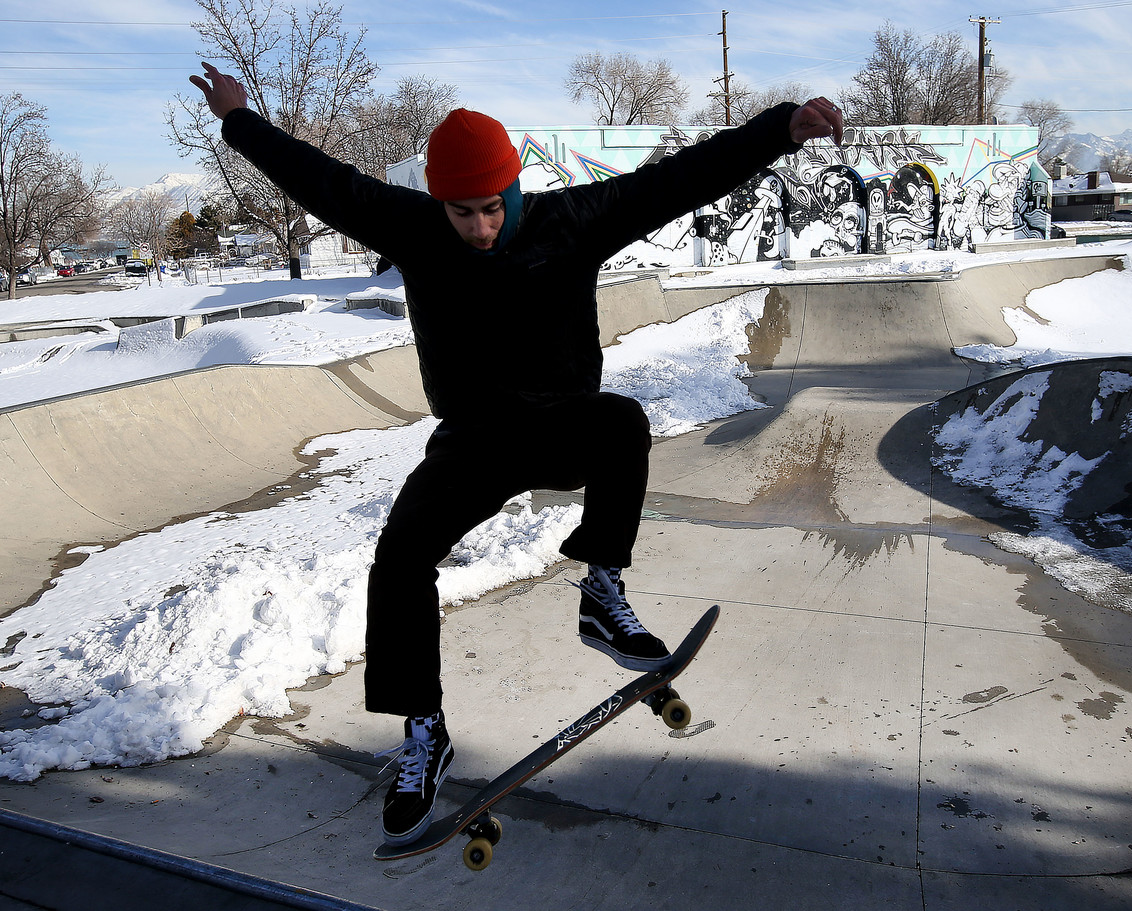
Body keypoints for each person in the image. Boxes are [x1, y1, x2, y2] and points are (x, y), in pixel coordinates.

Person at [190, 62, 843, 846]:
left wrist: (778, 129)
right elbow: (320, 180)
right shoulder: (412, 226)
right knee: (400, 556)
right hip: (472, 443)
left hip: (564, 428)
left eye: (490, 210)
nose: (478, 228)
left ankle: (602, 590)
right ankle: (424, 731)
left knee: (623, 422)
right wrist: (239, 118)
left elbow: (680, 180)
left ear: (514, 190)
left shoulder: (577, 218)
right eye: (461, 214)